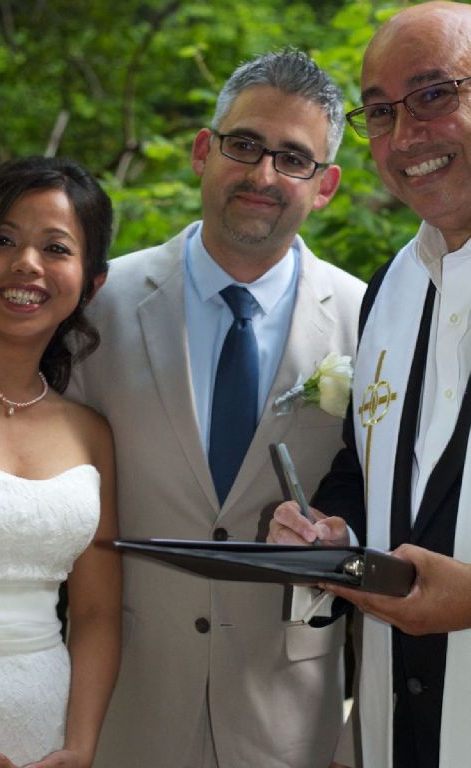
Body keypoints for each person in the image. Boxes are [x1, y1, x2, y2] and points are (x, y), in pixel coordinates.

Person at [68, 49, 365, 768]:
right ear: (205, 152)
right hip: (124, 709)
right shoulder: (96, 309)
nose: (264, 175)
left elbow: (380, 492)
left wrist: (341, 529)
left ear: (324, 186)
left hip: (289, 716)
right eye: (245, 145)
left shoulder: (368, 319)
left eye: (293, 159)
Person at [268, 3, 471, 767]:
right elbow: (366, 467)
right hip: (395, 728)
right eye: (379, 112)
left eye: (433, 95)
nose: (405, 136)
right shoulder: (388, 289)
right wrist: (336, 535)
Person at [0, 156, 122, 768]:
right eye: (3, 240)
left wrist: (79, 747)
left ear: (91, 281)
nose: (26, 264)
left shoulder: (89, 433)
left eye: (55, 247)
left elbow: (98, 612)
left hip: (44, 738)